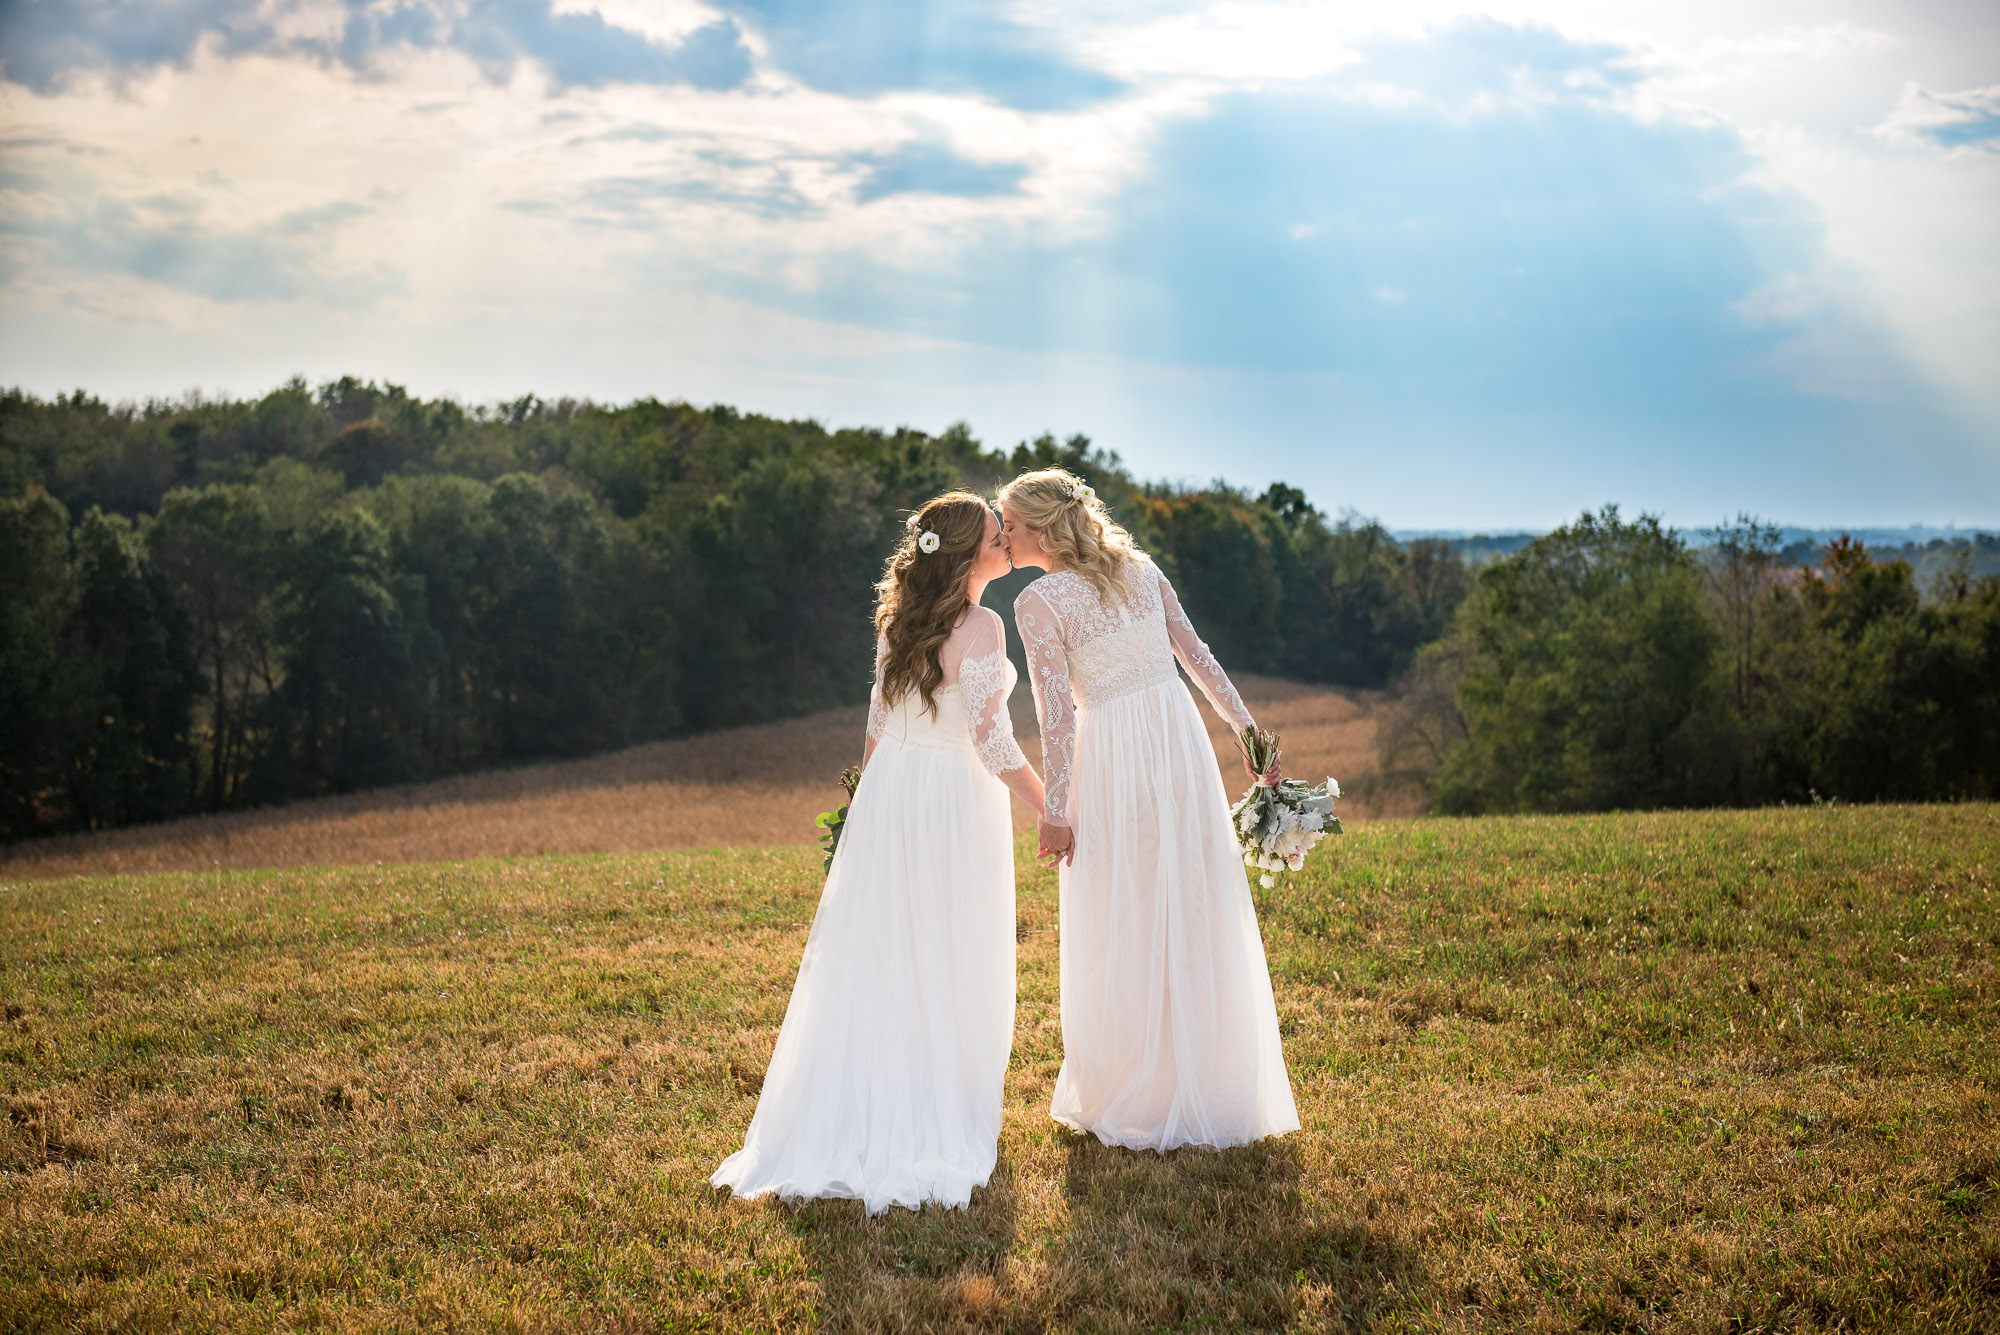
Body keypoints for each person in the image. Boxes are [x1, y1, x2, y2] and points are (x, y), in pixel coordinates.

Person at [711, 492, 1043, 1213]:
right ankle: (930, 1105)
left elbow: (875, 722)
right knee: (946, 946)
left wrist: (861, 809)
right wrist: (1056, 807)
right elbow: (991, 744)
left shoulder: (900, 621)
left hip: (895, 788)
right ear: (966, 555)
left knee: (888, 948)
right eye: (997, 535)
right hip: (951, 797)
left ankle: (873, 1095)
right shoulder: (983, 627)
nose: (1007, 542)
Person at [999, 467, 1299, 1152]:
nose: (1003, 535)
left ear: (1043, 525)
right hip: (1175, 740)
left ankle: (1149, 1084)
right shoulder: (1137, 567)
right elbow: (1198, 660)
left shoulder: (1038, 601)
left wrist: (1059, 806)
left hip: (1120, 755)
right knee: (1181, 900)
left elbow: (1055, 713)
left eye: (1010, 523)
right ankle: (1179, 1077)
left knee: (1125, 909)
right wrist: (1248, 734)